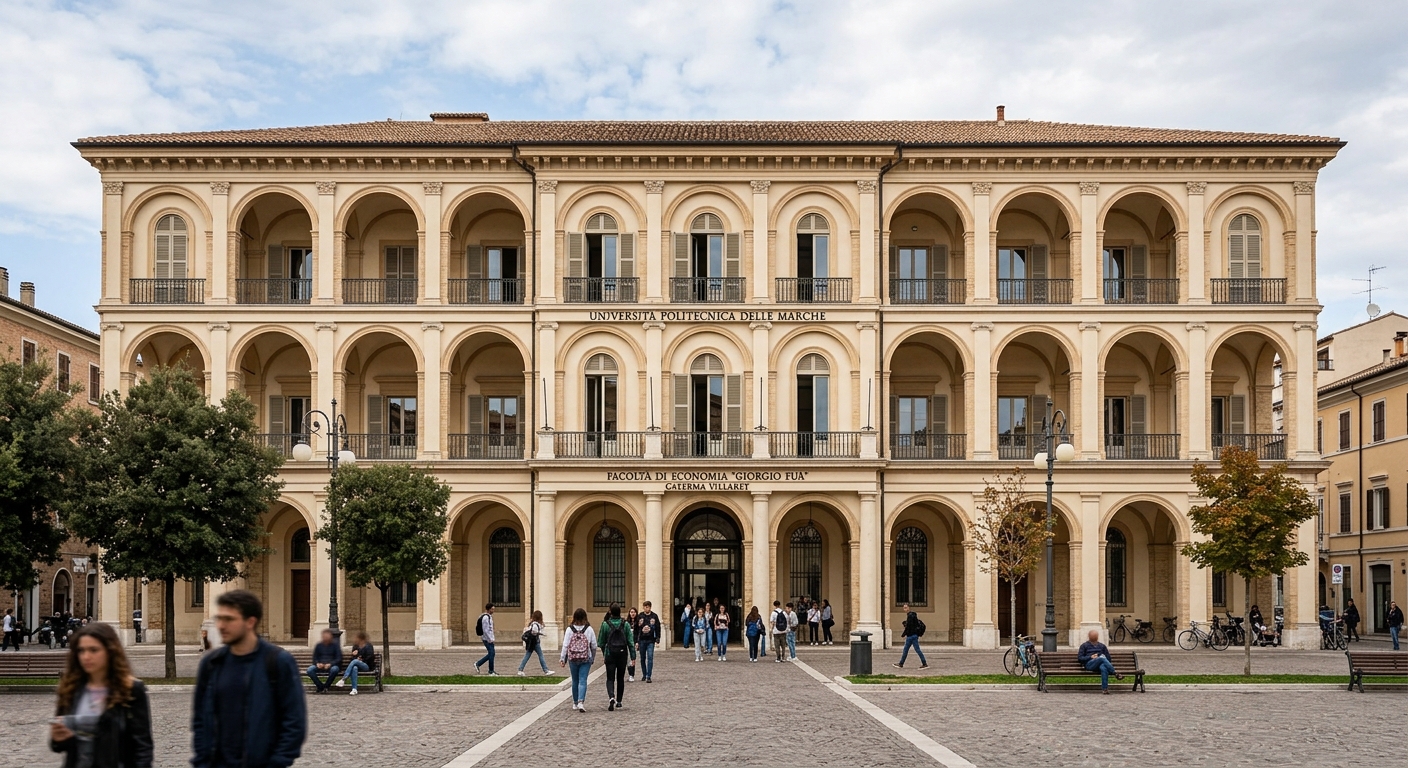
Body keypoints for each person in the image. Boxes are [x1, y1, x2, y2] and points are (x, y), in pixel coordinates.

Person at [191, 589, 306, 768]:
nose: (221, 625)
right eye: (219, 618)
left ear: (250, 622)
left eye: (229, 619)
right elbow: (200, 719)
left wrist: (277, 762)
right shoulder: (212, 663)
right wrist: (202, 761)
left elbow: (294, 721)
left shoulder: (278, 662)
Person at [50, 622, 153, 768]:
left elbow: (143, 746)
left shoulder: (130, 689)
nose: (86, 656)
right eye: (81, 650)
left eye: (93, 650)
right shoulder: (71, 688)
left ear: (110, 651)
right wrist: (58, 738)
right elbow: (59, 744)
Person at [598, 603, 634, 711]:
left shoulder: (605, 624)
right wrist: (633, 657)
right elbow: (630, 642)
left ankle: (611, 696)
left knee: (610, 678)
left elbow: (601, 642)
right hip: (622, 654)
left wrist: (605, 653)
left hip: (610, 654)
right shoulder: (626, 624)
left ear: (610, 612)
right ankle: (619, 701)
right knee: (620, 678)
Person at [560, 608, 596, 712]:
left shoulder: (569, 629)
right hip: (585, 658)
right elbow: (594, 645)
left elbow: (565, 645)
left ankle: (575, 703)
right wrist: (592, 657)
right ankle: (581, 702)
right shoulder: (589, 629)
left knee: (575, 680)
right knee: (583, 680)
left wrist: (563, 658)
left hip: (573, 658)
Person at [1077, 629, 1123, 694]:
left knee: (1103, 668)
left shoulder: (1102, 646)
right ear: (1089, 637)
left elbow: (1108, 659)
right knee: (1101, 658)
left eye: (1095, 636)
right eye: (1092, 636)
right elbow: (1080, 658)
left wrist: (1102, 657)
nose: (1094, 637)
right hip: (1089, 664)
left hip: (1100, 664)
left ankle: (1105, 689)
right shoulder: (1084, 646)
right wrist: (1090, 657)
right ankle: (1115, 673)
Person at [892, 603, 929, 670]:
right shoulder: (912, 615)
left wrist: (903, 634)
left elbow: (909, 627)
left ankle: (924, 664)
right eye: (904, 608)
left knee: (914, 650)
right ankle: (901, 663)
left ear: (909, 608)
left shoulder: (910, 616)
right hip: (913, 636)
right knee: (908, 650)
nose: (905, 609)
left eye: (906, 607)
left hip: (911, 636)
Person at [305, 629, 342, 694]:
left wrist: (330, 664)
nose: (325, 638)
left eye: (327, 636)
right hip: (320, 665)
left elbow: (339, 658)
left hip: (331, 665)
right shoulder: (319, 645)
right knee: (310, 670)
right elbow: (315, 657)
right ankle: (320, 687)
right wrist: (317, 663)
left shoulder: (335, 646)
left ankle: (326, 686)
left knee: (335, 669)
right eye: (324, 636)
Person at [517, 610, 552, 676]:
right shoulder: (535, 624)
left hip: (533, 642)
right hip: (535, 642)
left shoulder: (534, 623)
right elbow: (534, 632)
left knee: (527, 655)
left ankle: (520, 669)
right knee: (540, 655)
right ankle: (546, 670)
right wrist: (541, 633)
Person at [634, 601, 660, 683]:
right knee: (642, 658)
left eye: (648, 606)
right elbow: (636, 629)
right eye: (645, 606)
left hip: (650, 640)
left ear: (650, 607)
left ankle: (649, 676)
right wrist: (636, 641)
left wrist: (658, 638)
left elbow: (657, 627)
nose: (646, 608)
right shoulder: (640, 616)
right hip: (641, 639)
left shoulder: (654, 616)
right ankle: (644, 674)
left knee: (650, 657)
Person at [475, 603, 497, 676]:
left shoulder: (489, 617)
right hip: (487, 639)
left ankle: (478, 664)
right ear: (489, 609)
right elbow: (486, 630)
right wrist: (490, 639)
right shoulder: (485, 617)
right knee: (492, 653)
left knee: (492, 654)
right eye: (492, 609)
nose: (493, 610)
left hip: (489, 638)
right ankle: (491, 671)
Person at [625, 607, 639, 681]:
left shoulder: (638, 622)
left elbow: (639, 633)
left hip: (634, 642)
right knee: (628, 660)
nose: (632, 613)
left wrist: (637, 642)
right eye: (631, 612)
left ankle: (632, 675)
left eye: (634, 612)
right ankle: (630, 673)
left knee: (632, 659)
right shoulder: (626, 623)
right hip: (627, 643)